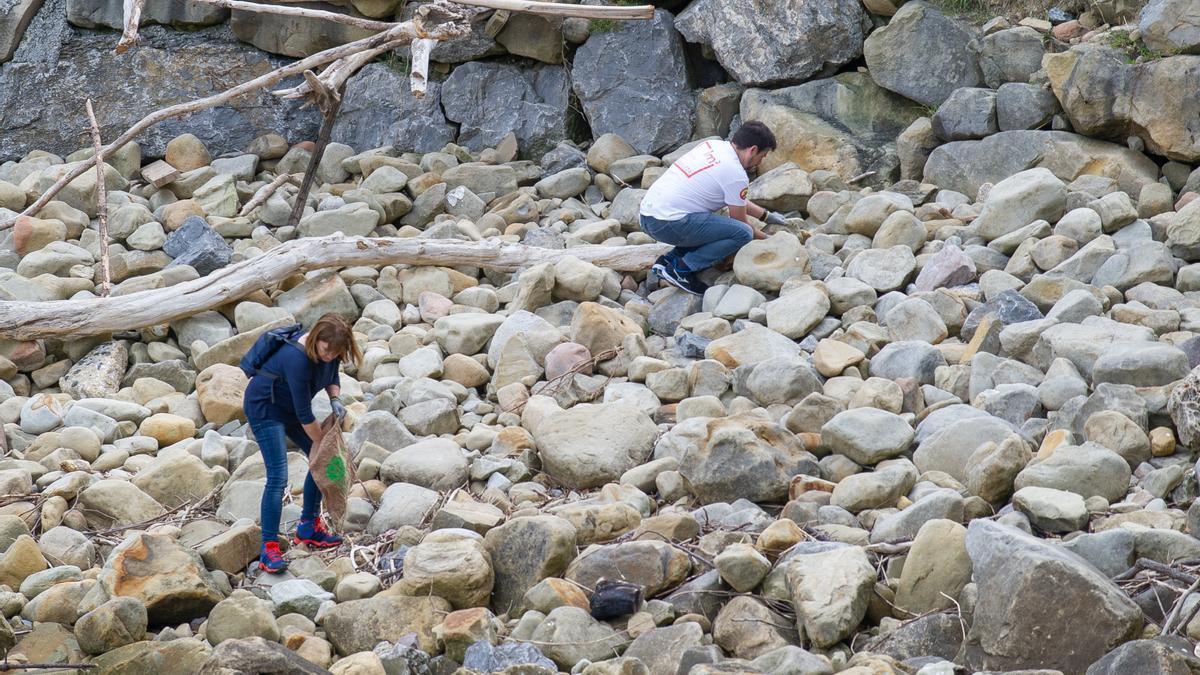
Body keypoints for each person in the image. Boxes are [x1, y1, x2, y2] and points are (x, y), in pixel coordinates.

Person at [242, 313, 362, 573]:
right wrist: (323, 444)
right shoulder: (297, 358)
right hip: (265, 407)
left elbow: (332, 376)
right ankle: (269, 548)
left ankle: (308, 527)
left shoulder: (333, 350)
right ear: (317, 339)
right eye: (326, 350)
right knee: (278, 476)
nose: (329, 356)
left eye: (336, 352)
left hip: (290, 408)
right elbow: (304, 413)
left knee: (319, 459)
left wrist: (335, 400)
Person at [638, 121, 788, 294]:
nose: (760, 161)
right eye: (763, 155)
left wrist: (766, 216)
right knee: (742, 233)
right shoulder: (735, 174)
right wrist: (769, 239)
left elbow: (734, 198)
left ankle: (667, 261)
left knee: (713, 221)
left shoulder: (713, 146)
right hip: (668, 223)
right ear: (753, 150)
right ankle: (681, 269)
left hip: (648, 216)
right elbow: (741, 222)